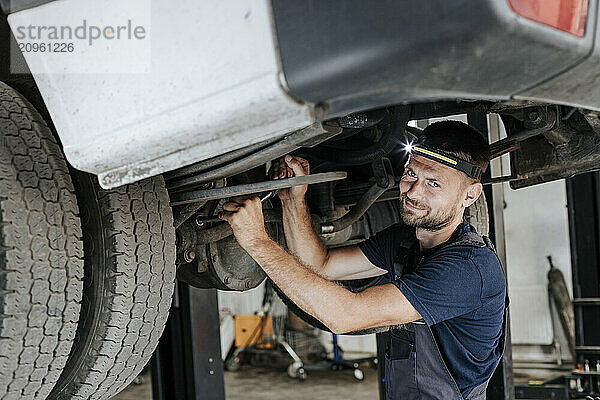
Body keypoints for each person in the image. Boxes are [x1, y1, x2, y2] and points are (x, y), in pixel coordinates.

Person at [219, 120, 508, 400]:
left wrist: (257, 241)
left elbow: (346, 317)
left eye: (433, 184)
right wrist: (293, 199)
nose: (413, 192)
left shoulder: (468, 269)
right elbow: (321, 264)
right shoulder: (404, 241)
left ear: (470, 195)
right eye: (411, 175)